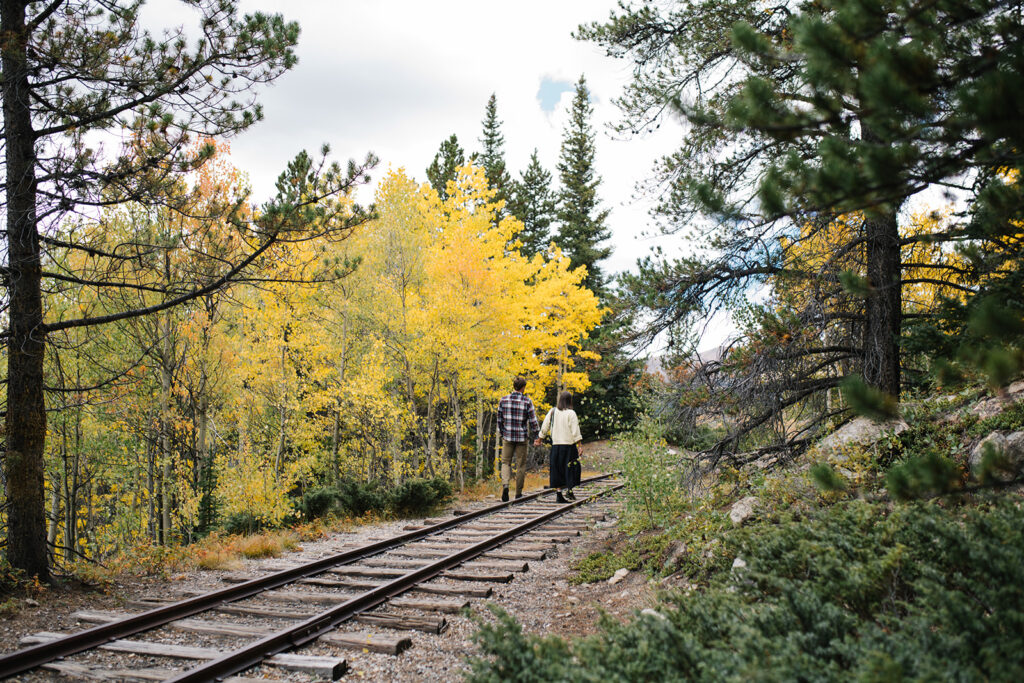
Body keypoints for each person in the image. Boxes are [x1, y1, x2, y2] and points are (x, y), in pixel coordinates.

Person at [497, 375, 540, 502]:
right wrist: (537, 435)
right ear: (523, 388)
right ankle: (518, 493)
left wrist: (503, 433)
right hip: (521, 438)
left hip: (508, 436)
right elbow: (533, 421)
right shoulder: (527, 401)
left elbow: (499, 420)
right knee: (521, 465)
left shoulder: (503, 400)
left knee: (506, 462)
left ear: (514, 386)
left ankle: (505, 485)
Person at [535, 390, 583, 504]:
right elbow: (575, 430)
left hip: (556, 446)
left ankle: (559, 494)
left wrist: (540, 439)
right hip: (569, 447)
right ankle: (570, 490)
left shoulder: (552, 411)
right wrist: (579, 445)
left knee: (557, 470)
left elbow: (545, 426)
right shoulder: (571, 413)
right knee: (571, 470)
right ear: (570, 401)